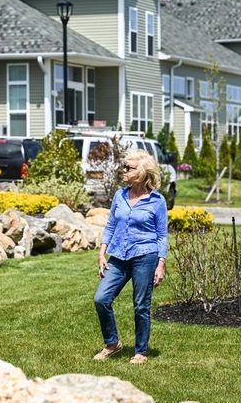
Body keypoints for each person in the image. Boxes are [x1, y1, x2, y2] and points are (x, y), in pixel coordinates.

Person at [93, 148, 167, 364]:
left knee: (141, 305)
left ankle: (140, 352)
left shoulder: (157, 201)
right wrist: (101, 253)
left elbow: (162, 235)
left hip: (146, 255)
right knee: (101, 298)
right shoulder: (120, 195)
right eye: (124, 167)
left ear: (143, 172)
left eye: (129, 168)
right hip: (119, 256)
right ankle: (112, 344)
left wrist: (160, 263)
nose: (124, 170)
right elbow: (111, 225)